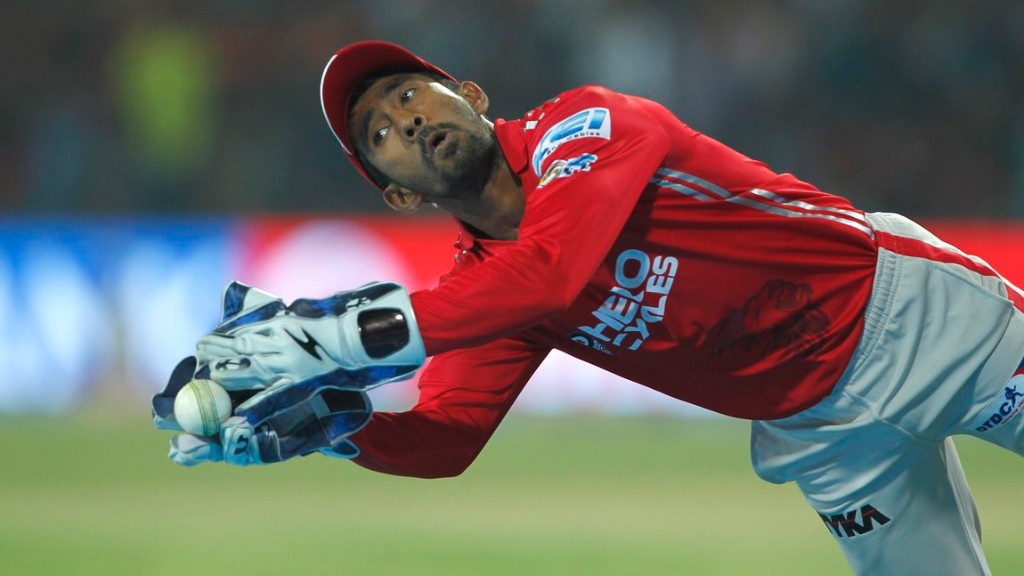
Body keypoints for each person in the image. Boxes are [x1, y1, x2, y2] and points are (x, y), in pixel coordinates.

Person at [164, 41, 1024, 575]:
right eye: (381, 132)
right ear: (395, 196)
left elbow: (551, 273)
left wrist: (336, 333)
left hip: (915, 323)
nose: (407, 117)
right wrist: (339, 424)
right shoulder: (485, 285)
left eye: (411, 92)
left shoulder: (585, 125)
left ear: (470, 93)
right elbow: (447, 439)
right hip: (827, 437)